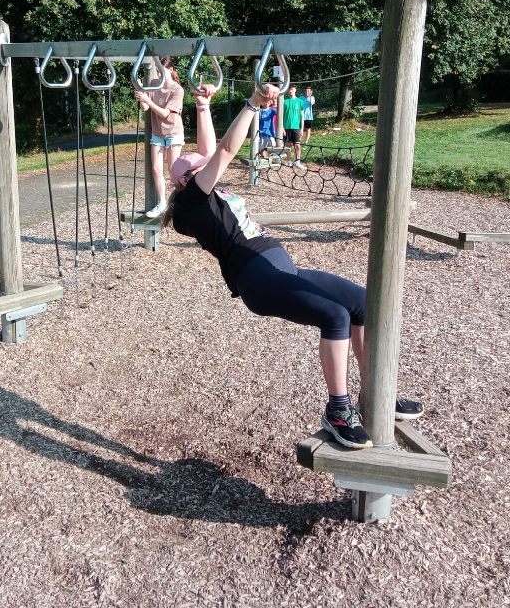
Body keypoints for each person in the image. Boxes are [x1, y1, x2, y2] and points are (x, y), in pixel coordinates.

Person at [162, 83, 423, 449]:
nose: (209, 167)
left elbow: (209, 152)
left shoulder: (205, 192)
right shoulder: (192, 203)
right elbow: (223, 151)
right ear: (184, 181)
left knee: (363, 303)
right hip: (258, 278)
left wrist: (202, 106)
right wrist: (253, 103)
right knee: (335, 315)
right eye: (199, 168)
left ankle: (376, 394)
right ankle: (338, 410)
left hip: (283, 269)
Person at [134, 56, 185, 218]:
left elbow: (164, 114)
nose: (158, 74)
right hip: (158, 133)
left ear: (170, 70)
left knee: (173, 171)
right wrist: (141, 92)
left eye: (161, 71)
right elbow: (144, 107)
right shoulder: (154, 84)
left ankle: (179, 203)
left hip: (173, 132)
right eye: (157, 71)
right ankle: (162, 203)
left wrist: (148, 100)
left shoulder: (177, 89)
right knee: (156, 168)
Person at [281, 85, 305, 169]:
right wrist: (282, 128)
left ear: (295, 90)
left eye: (292, 89)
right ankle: (288, 161)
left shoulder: (300, 101)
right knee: (287, 145)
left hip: (296, 127)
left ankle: (298, 162)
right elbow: (281, 115)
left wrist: (302, 128)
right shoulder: (285, 101)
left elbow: (302, 116)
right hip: (287, 127)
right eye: (289, 90)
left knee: (297, 145)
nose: (290, 91)